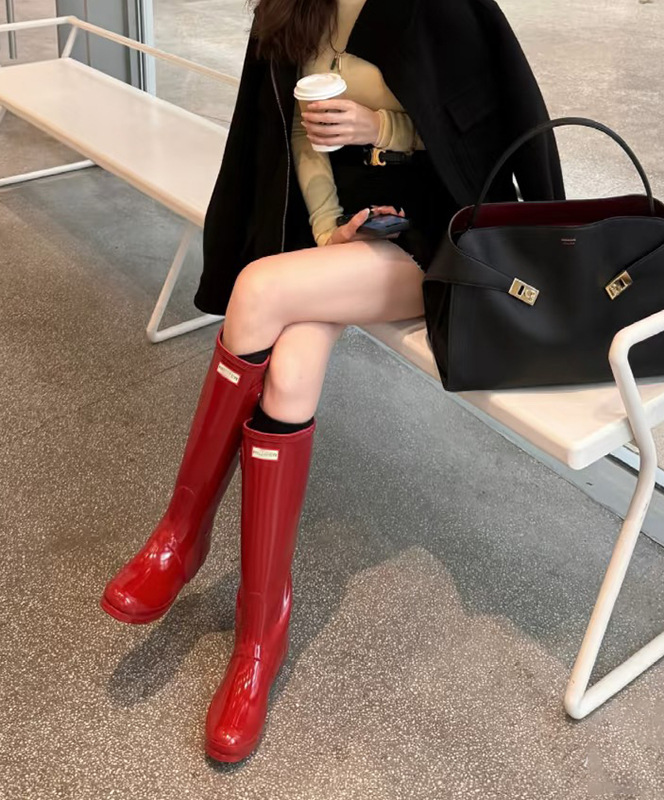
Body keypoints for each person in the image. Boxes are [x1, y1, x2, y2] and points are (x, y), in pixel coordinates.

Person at [100, 0, 565, 763]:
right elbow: (291, 139)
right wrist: (324, 234)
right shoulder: (293, 7)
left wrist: (379, 127)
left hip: (438, 243)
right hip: (349, 236)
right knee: (289, 371)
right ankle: (261, 630)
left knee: (258, 290)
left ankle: (181, 536)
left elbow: (486, 138)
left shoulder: (442, 11)